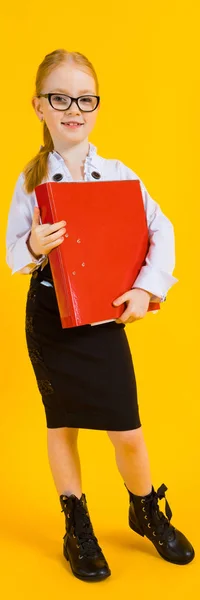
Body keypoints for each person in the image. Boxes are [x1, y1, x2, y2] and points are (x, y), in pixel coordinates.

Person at [5, 48, 194, 583]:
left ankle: (146, 509)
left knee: (127, 430)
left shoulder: (117, 173)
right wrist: (34, 244)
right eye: (60, 97)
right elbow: (12, 254)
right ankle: (77, 525)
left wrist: (144, 289)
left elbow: (164, 231)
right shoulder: (30, 180)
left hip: (103, 316)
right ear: (39, 105)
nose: (74, 108)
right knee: (61, 422)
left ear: (96, 106)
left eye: (84, 99)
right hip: (49, 315)